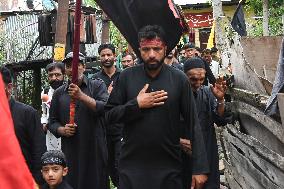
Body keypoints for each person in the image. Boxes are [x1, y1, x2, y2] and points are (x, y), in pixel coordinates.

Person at [105, 25, 209, 189]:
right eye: (146, 49)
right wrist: (136, 104)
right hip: (132, 167)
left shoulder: (179, 79)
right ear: (139, 50)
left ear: (165, 49)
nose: (152, 54)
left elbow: (193, 124)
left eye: (157, 49)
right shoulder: (126, 77)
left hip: (169, 166)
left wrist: (200, 168)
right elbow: (109, 115)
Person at [48, 52, 109, 189]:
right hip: (71, 150)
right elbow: (52, 122)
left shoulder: (97, 86)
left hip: (94, 148)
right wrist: (62, 130)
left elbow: (105, 108)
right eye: (69, 66)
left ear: (84, 66)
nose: (73, 69)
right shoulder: (59, 93)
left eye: (77, 65)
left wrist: (81, 96)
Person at [182, 57, 232, 189]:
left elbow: (220, 120)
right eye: (193, 79)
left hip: (207, 151)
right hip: (183, 154)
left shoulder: (207, 92)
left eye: (201, 79)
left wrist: (220, 100)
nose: (198, 83)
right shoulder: (176, 95)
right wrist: (179, 141)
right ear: (184, 76)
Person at [0, 66, 46, 185]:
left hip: (22, 180)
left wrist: (35, 181)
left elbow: (39, 150)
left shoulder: (27, 113)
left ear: (9, 87)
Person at [93, 44, 122, 187]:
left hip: (121, 128)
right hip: (103, 129)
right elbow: (93, 103)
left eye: (109, 55)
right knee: (105, 165)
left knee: (120, 165)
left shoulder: (124, 76)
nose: (106, 58)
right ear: (100, 58)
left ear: (114, 56)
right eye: (103, 55)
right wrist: (107, 96)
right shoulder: (95, 80)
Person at [41, 62, 65, 151]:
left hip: (65, 133)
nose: (54, 78)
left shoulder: (69, 90)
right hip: (50, 136)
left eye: (57, 75)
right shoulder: (45, 92)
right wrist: (43, 123)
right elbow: (44, 112)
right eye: (51, 75)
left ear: (63, 75)